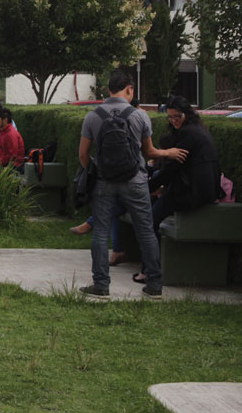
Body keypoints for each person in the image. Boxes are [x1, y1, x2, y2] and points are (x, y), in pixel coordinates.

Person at [78, 69, 186, 301]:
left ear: (108, 90)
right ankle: (154, 286)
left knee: (101, 232)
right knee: (146, 231)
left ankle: (101, 286)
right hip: (135, 181)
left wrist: (96, 172)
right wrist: (168, 152)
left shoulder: (92, 117)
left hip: (105, 182)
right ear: (129, 89)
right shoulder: (140, 116)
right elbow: (149, 151)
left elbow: (83, 155)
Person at [147, 96, 222, 243]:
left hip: (193, 192)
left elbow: (172, 167)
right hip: (204, 190)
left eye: (177, 116)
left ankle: (153, 257)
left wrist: (149, 187)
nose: (174, 120)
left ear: (186, 114)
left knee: (149, 221)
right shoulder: (198, 129)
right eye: (170, 117)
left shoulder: (187, 133)